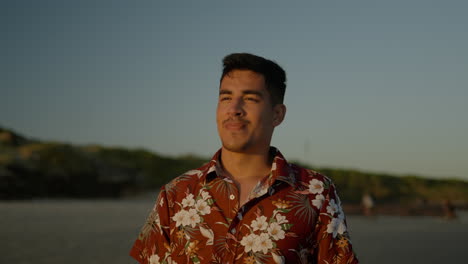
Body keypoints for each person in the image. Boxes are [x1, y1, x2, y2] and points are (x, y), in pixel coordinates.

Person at [130, 53, 358, 264]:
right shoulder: (175, 194)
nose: (234, 109)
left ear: (277, 114)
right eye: (226, 97)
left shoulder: (316, 193)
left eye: (250, 99)